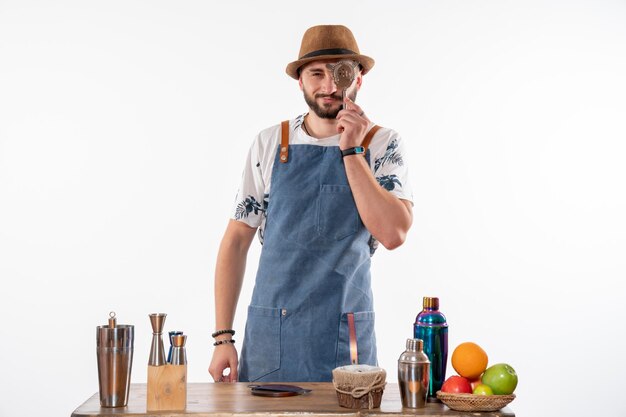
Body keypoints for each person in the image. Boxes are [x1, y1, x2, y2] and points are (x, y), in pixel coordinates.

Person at [208, 24, 413, 383]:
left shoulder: (382, 144)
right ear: (299, 81)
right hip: (271, 337)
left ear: (358, 80)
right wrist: (222, 337)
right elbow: (236, 240)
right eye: (317, 73)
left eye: (340, 73)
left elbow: (394, 233)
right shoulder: (270, 143)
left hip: (345, 337)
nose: (329, 86)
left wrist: (351, 150)